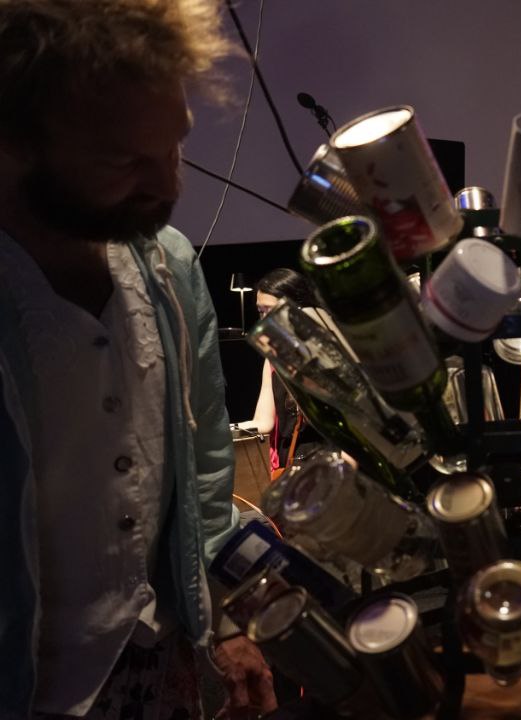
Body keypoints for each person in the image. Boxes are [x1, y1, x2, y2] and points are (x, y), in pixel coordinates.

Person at [0, 1, 275, 717]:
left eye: (175, 148)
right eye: (126, 161)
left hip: (159, 666)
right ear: (16, 141)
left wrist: (224, 617)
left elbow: (206, 463)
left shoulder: (170, 267)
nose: (170, 188)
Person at [240, 268, 319, 473]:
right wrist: (226, 430)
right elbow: (263, 422)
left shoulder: (320, 354)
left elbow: (318, 419)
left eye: (270, 310)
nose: (264, 319)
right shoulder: (271, 359)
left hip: (318, 458)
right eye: (260, 311)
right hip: (288, 461)